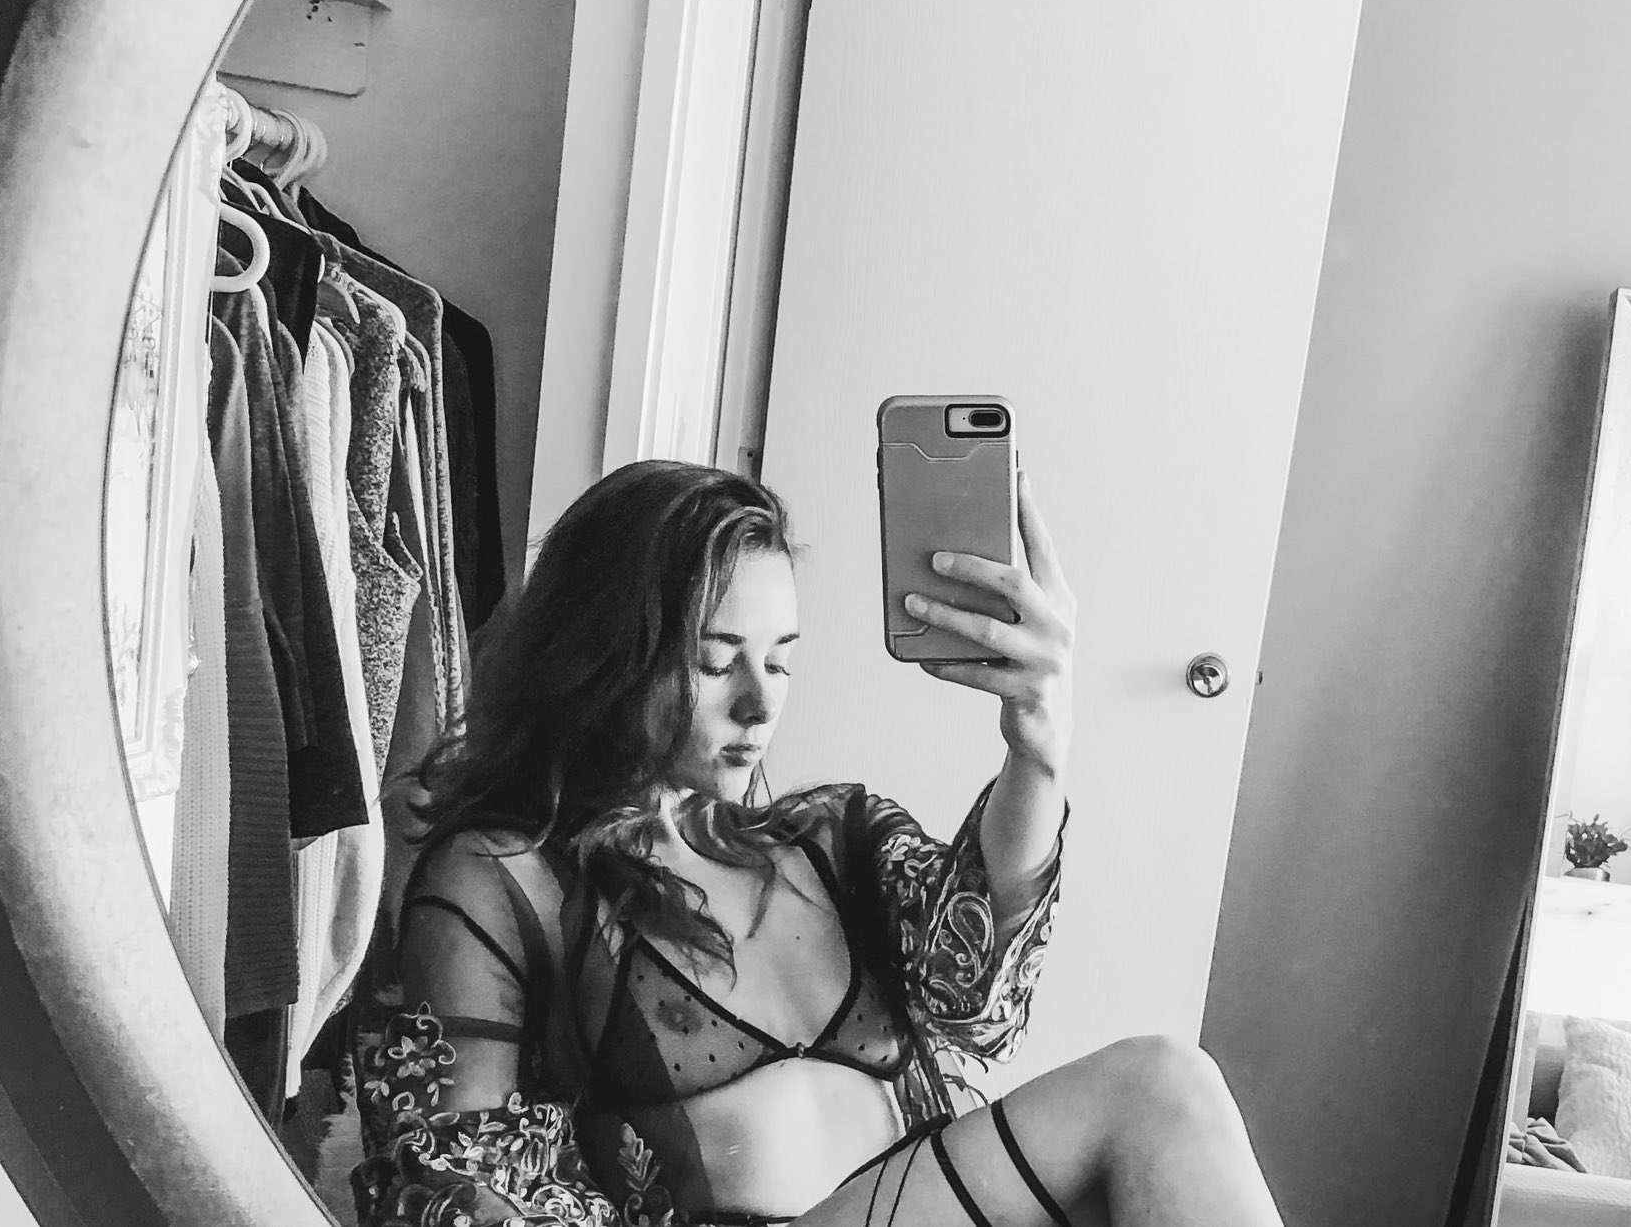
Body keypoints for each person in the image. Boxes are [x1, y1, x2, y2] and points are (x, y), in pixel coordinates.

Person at [352, 460, 1282, 1227]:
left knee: (1165, 1107)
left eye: (782, 659)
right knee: (1158, 1087)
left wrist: (1037, 751)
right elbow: (448, 1182)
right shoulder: (504, 879)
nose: (760, 702)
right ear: (602, 648)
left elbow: (976, 998)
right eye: (716, 661)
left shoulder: (830, 840)